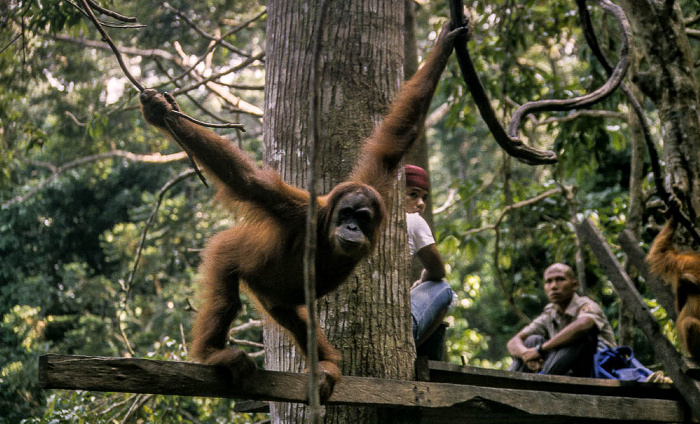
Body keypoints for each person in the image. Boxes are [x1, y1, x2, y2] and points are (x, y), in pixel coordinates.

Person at [507, 263, 616, 376]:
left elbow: (584, 324)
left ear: (574, 285)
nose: (554, 286)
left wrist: (540, 349)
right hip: (564, 369)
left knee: (579, 335)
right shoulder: (550, 313)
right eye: (549, 281)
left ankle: (543, 379)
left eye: (560, 279)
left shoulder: (587, 305)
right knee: (532, 340)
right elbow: (513, 341)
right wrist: (526, 354)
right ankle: (508, 382)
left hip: (598, 369)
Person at [405, 164, 454, 360]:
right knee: (443, 288)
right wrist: (425, 277)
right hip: (397, 328)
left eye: (424, 197)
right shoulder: (413, 221)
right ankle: (408, 351)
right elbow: (439, 272)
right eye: (413, 194)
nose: (420, 203)